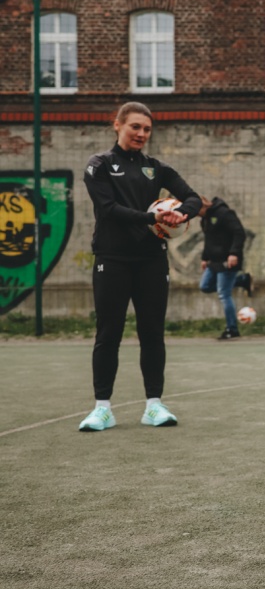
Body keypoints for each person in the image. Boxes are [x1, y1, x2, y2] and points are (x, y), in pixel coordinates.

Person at [79, 102, 201, 431]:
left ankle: (154, 406)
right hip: (112, 258)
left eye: (147, 129)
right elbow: (108, 209)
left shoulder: (157, 168)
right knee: (109, 333)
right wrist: (153, 217)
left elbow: (193, 198)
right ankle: (102, 409)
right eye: (135, 126)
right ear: (117, 125)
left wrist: (180, 214)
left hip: (151, 260)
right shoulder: (99, 165)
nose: (141, 134)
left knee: (152, 333)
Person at [198, 196, 247, 340]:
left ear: (203, 206)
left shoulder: (225, 213)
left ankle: (232, 329)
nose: (194, 214)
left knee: (224, 294)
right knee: (205, 286)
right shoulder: (205, 219)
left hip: (227, 261)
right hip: (214, 262)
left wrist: (234, 253)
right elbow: (209, 239)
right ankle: (242, 280)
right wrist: (205, 258)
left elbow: (239, 233)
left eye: (195, 210)